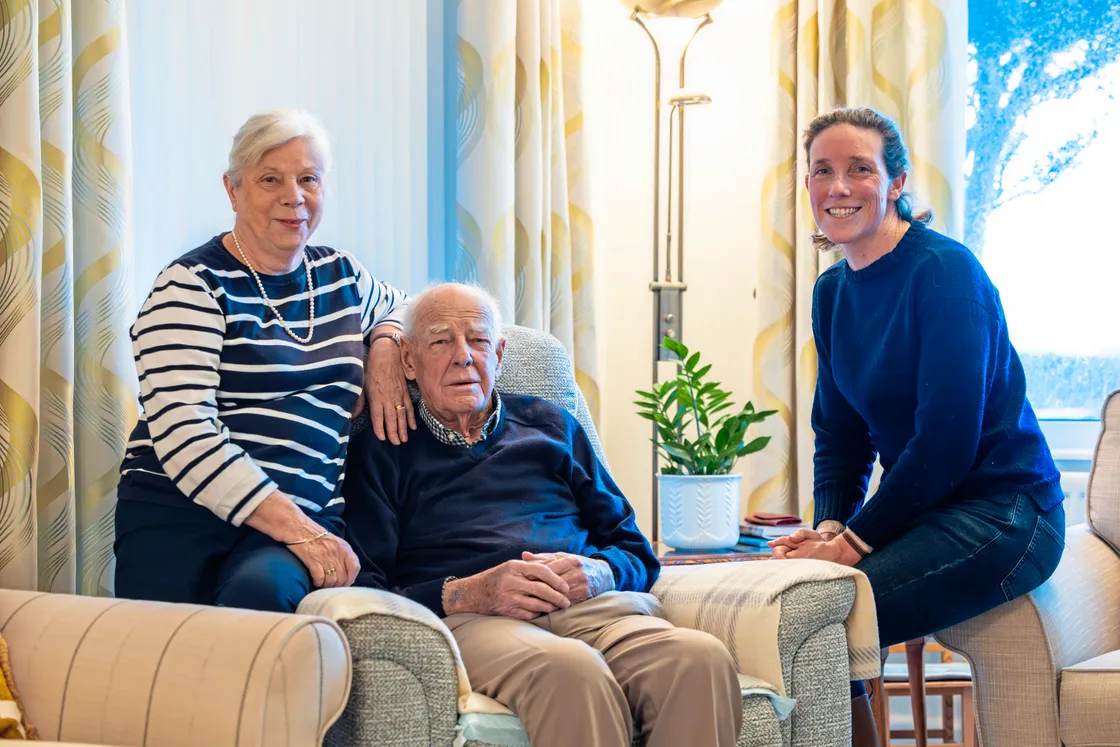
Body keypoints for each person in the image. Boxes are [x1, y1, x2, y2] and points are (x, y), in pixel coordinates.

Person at [769, 107, 1065, 745]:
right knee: (799, 602)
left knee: (814, 612)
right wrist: (828, 526)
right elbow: (840, 435)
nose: (838, 188)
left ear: (897, 182)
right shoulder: (832, 293)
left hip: (1005, 513)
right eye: (823, 171)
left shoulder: (945, 274)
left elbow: (945, 446)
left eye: (859, 170)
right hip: (929, 511)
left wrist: (848, 549)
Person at [342, 282, 743, 747]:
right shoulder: (383, 446)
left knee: (699, 657)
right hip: (479, 622)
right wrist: (467, 593)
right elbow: (366, 585)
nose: (462, 357)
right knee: (571, 671)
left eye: (477, 340)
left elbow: (635, 549)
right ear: (408, 359)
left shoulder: (550, 424)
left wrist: (600, 573)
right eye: (440, 341)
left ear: (500, 353)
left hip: (593, 609)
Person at [114, 109, 416, 613]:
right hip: (185, 513)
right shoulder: (191, 285)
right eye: (270, 179)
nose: (293, 196)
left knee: (263, 597)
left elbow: (409, 308)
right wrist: (299, 530)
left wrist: (384, 341)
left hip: (298, 517)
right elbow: (186, 430)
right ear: (233, 190)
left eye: (308, 179)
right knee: (172, 663)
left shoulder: (342, 277)